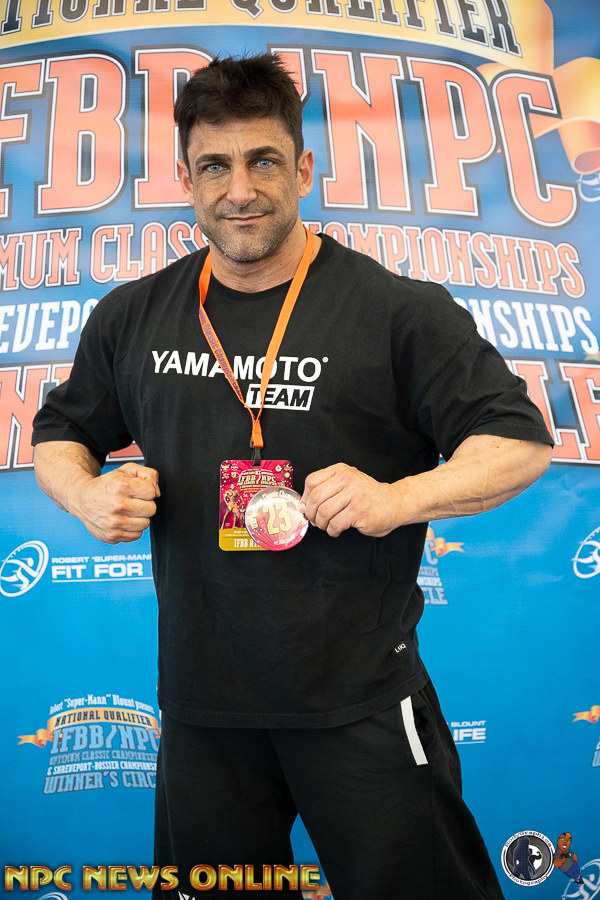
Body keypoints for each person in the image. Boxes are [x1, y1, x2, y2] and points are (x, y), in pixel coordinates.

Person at [32, 54, 553, 899]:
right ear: (185, 180)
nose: (239, 190)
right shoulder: (133, 315)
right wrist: (86, 491)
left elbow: (519, 443)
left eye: (263, 161)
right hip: (204, 711)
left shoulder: (396, 310)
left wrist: (399, 497)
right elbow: (58, 435)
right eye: (215, 166)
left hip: (360, 701)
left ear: (303, 169)